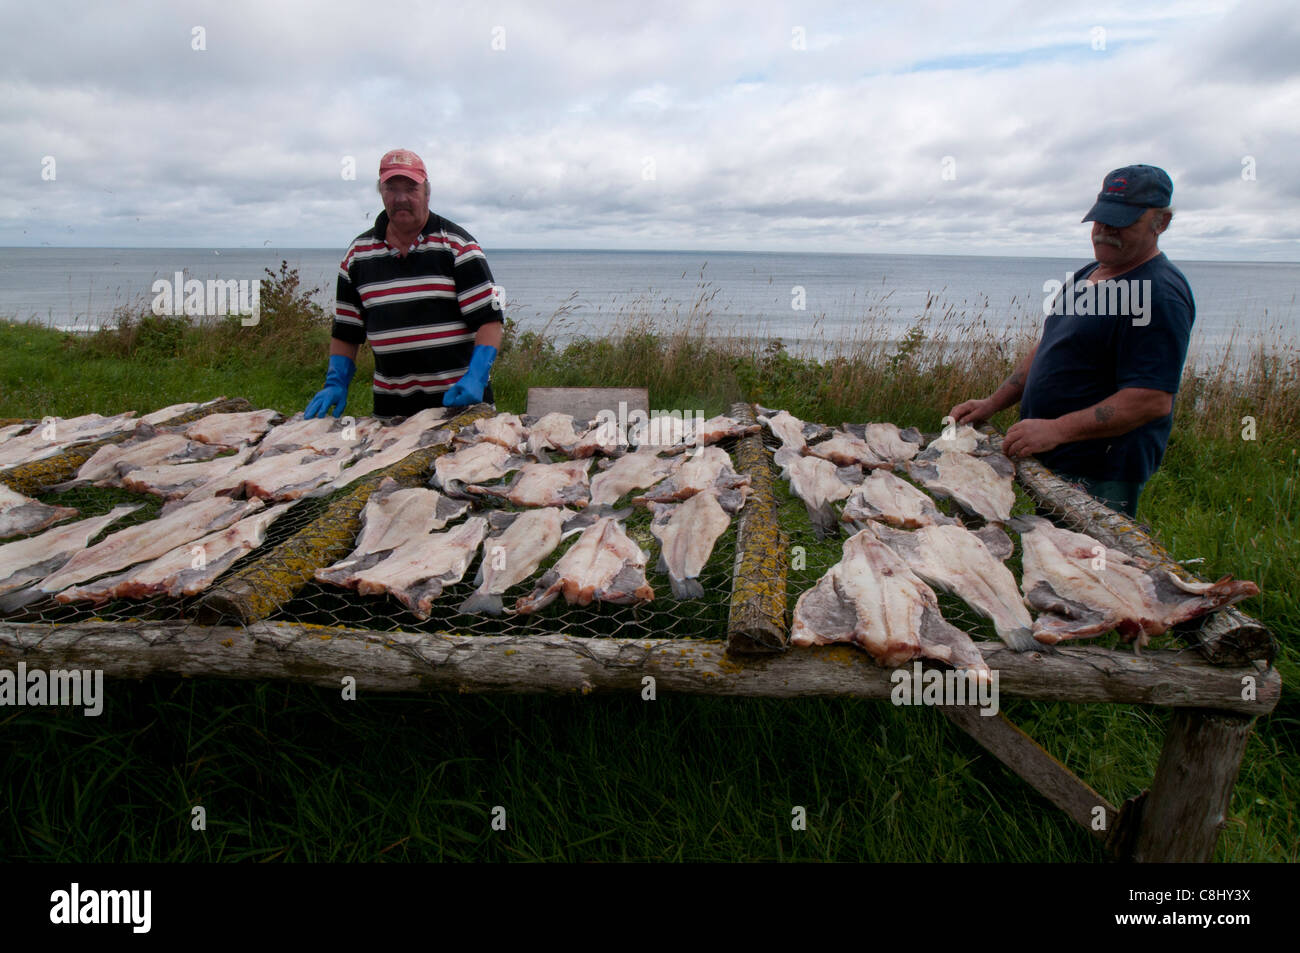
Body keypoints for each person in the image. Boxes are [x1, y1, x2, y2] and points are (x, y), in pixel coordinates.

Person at [949, 164, 1195, 517]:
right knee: (1046, 551)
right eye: (1102, 219)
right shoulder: (1090, 274)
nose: (1106, 232)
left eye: (1122, 221)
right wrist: (993, 403)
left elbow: (1151, 400)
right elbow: (1051, 344)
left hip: (1101, 470)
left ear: (1161, 223)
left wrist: (1058, 429)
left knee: (1087, 564)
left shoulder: (1159, 295)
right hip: (1052, 451)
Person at [305, 148, 503, 419]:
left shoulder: (458, 246)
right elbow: (346, 332)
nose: (401, 198)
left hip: (460, 409)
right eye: (391, 189)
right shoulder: (357, 256)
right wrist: (335, 383)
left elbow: (489, 321)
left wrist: (477, 376)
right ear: (381, 192)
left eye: (411, 188)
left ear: (427, 192)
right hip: (392, 416)